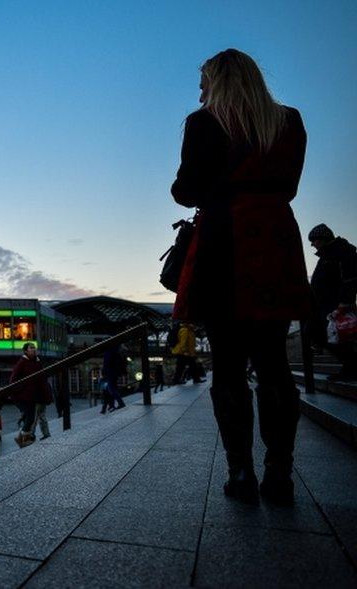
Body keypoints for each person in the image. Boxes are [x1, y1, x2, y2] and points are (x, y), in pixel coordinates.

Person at [171, 49, 310, 506]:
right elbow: (289, 186)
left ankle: (241, 471)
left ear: (218, 81)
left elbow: (185, 191)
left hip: (222, 243)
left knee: (228, 365)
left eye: (204, 80)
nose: (200, 90)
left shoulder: (204, 122)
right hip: (273, 241)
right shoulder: (288, 121)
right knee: (274, 363)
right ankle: (279, 472)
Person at [307, 224, 357, 380]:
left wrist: (344, 302)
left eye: (313, 241)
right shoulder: (326, 256)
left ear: (321, 239)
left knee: (333, 336)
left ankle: (352, 367)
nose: (312, 244)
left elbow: (351, 278)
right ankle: (350, 365)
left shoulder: (343, 252)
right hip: (322, 305)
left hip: (335, 305)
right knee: (314, 332)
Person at [10, 343, 52, 447]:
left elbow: (41, 380)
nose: (34, 350)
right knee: (30, 418)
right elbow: (13, 380)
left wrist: (46, 394)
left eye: (34, 348)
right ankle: (23, 439)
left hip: (34, 396)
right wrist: (24, 389)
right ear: (25, 351)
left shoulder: (37, 362)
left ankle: (21, 438)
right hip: (24, 396)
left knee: (30, 418)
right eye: (31, 348)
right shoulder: (22, 362)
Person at [101, 346, 127, 414]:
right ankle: (112, 405)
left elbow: (107, 362)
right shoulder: (116, 350)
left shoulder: (109, 350)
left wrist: (104, 371)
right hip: (115, 372)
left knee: (111, 389)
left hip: (110, 372)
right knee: (113, 388)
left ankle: (120, 403)